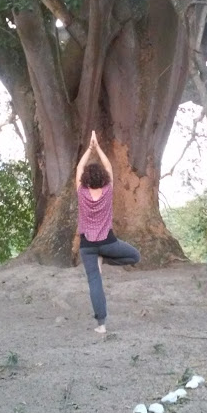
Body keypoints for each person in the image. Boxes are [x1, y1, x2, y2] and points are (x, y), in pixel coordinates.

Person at [76, 130, 140, 334]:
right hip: (108, 242)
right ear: (103, 178)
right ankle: (104, 256)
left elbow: (78, 167)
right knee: (134, 256)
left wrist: (89, 149)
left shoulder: (81, 193)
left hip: (87, 246)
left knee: (94, 281)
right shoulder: (108, 191)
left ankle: (101, 325)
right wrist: (98, 148)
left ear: (85, 178)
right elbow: (109, 167)